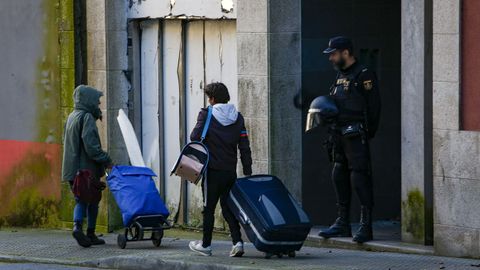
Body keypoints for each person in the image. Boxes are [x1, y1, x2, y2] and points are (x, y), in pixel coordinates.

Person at [316, 36, 381, 243]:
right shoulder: (338, 77)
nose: (331, 59)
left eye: (333, 54)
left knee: (359, 178)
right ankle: (342, 223)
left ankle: (365, 225)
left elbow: (374, 108)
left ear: (345, 52)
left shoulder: (364, 74)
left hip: (355, 134)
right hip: (338, 135)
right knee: (338, 175)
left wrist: (367, 132)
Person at [188, 82, 253, 257]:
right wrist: (247, 169)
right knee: (228, 207)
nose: (208, 101)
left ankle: (206, 245)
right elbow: (244, 146)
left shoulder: (206, 114)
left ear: (213, 98)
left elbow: (194, 137)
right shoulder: (238, 118)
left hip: (212, 171)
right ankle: (238, 242)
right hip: (230, 171)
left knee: (208, 208)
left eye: (209, 98)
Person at [62, 85, 113, 248]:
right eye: (97, 103)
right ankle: (90, 233)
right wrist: (106, 159)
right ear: (89, 101)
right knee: (92, 200)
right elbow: (92, 148)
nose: (98, 106)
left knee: (80, 200)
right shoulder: (87, 118)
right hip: (86, 170)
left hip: (72, 170)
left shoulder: (71, 116)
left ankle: (77, 227)